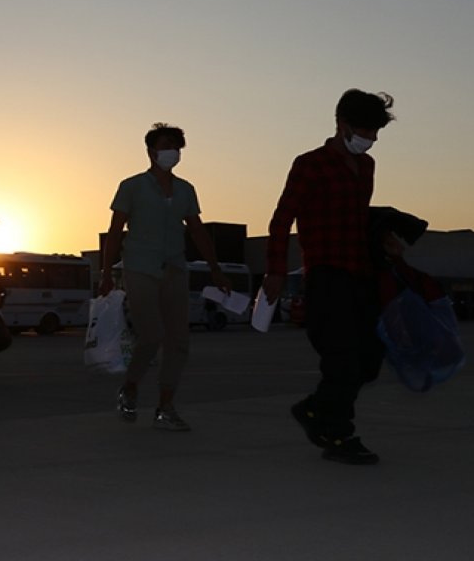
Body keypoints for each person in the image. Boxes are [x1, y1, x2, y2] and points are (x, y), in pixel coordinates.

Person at [262, 89, 396, 465]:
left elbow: (357, 217)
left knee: (370, 359)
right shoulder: (310, 164)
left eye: (375, 133)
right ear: (341, 124)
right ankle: (338, 434)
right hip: (326, 273)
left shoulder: (366, 167)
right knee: (342, 361)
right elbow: (281, 218)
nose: (370, 139)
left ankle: (312, 409)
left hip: (361, 272)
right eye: (365, 130)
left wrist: (385, 240)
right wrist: (274, 270)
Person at [98, 122, 232, 432]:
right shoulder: (131, 186)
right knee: (151, 334)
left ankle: (165, 406)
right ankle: (130, 387)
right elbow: (116, 232)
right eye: (166, 145)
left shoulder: (185, 189)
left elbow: (196, 230)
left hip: (175, 268)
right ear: (151, 151)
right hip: (140, 267)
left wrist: (216, 269)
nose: (172, 151)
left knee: (179, 340)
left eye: (176, 145)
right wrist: (105, 272)